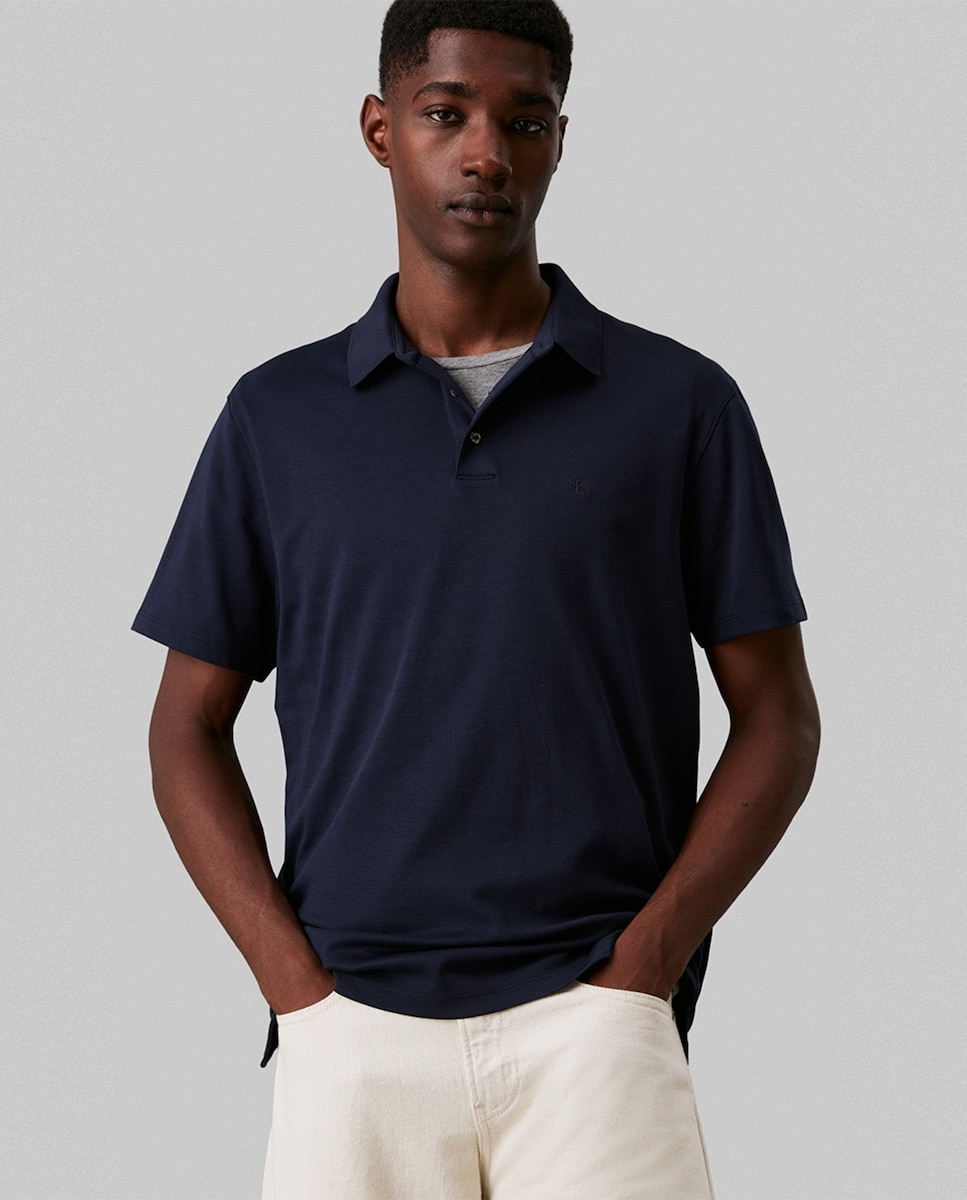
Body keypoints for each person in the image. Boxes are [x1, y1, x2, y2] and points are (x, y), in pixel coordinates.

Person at [133, 2, 820, 1196]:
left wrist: (646, 968)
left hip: (596, 1031)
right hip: (353, 1027)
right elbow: (184, 724)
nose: (485, 153)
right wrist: (296, 991)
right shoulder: (277, 420)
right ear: (379, 129)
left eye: (524, 121)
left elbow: (779, 716)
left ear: (560, 141)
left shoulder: (679, 405)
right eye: (444, 114)